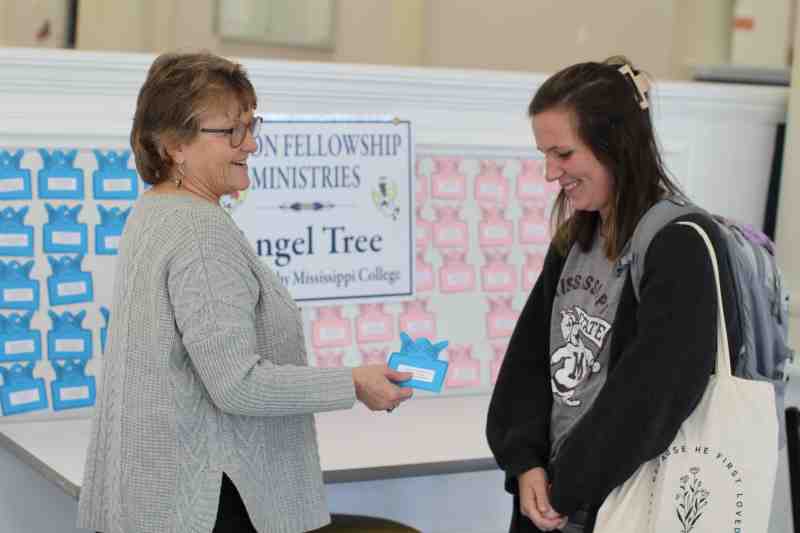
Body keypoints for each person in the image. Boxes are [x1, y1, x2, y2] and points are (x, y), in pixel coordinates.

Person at [77, 51, 413, 533]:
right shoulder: (198, 231)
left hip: (168, 502)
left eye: (252, 126)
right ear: (175, 145)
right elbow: (237, 383)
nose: (250, 144)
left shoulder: (153, 212)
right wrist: (353, 383)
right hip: (210, 504)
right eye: (232, 131)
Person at [485, 56, 742, 533]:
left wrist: (568, 487)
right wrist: (526, 464)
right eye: (544, 154)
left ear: (614, 146)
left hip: (621, 505)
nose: (549, 173)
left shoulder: (679, 244)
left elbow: (653, 396)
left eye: (563, 154)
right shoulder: (573, 241)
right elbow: (528, 363)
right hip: (558, 503)